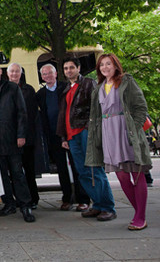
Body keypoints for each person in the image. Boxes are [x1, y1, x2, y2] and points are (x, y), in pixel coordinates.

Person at [85, 53, 152, 231]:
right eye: (101, 65)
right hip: (109, 134)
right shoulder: (99, 87)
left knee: (137, 174)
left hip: (126, 131)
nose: (105, 67)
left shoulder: (126, 81)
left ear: (115, 65)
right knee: (122, 177)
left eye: (108, 64)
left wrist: (134, 129)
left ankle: (140, 216)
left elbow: (141, 107)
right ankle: (139, 211)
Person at [56, 56, 116, 222]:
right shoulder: (66, 89)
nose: (68, 71)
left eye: (71, 67)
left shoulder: (89, 84)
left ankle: (108, 207)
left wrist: (92, 129)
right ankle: (97, 204)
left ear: (78, 68)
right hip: (71, 136)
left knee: (95, 170)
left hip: (85, 132)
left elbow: (99, 107)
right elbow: (63, 115)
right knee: (82, 173)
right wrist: (63, 137)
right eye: (66, 68)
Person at [0, 62, 35, 223]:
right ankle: (9, 203)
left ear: (0, 71)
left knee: (18, 173)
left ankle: (25, 205)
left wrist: (21, 135)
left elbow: (22, 113)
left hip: (12, 139)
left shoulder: (12, 88)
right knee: (2, 175)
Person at [37, 63, 89, 211]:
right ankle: (67, 198)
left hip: (71, 133)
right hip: (54, 137)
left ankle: (83, 198)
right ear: (42, 77)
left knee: (78, 166)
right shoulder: (40, 95)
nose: (47, 76)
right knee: (62, 169)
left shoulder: (65, 88)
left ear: (56, 74)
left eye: (50, 73)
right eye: (44, 74)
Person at [6, 63, 43, 209]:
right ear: (7, 73)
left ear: (21, 73)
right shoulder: (4, 89)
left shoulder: (28, 90)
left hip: (26, 137)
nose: (14, 74)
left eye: (17, 72)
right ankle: (19, 199)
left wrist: (25, 134)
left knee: (29, 170)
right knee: (14, 171)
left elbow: (32, 114)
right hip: (9, 138)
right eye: (12, 72)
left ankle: (33, 198)